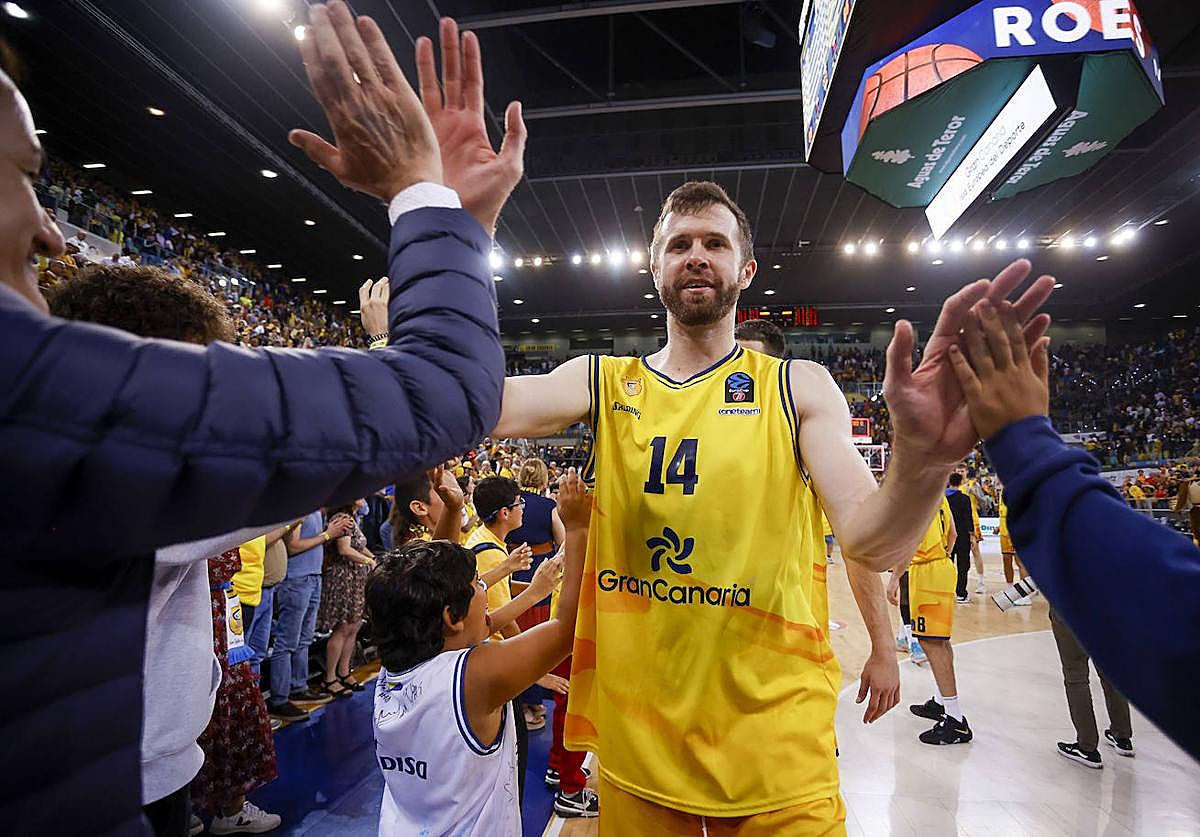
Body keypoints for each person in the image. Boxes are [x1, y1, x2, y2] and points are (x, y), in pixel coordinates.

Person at [2, 6, 524, 829]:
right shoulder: (46, 398)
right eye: (24, 175)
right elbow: (448, 391)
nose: (51, 231)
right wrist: (427, 198)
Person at [491, 172, 1053, 828]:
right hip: (642, 745)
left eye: (714, 243)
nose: (695, 254)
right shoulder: (602, 379)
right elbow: (486, 404)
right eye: (678, 245)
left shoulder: (798, 387)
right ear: (653, 268)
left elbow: (874, 544)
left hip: (776, 748)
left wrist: (926, 460)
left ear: (746, 268)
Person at [947, 297, 1200, 761]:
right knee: (1111, 666)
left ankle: (1088, 745)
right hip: (1089, 570)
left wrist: (1021, 440)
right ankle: (1121, 735)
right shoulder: (1117, 507)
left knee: (1076, 674)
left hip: (1067, 584)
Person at [367, 470, 590, 836]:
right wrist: (578, 529)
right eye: (478, 585)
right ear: (451, 617)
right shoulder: (474, 677)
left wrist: (453, 510)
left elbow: (427, 583)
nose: (484, 589)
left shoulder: (399, 660)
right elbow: (565, 630)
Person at [736, 319, 900, 726]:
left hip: (787, 647)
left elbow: (858, 545)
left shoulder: (806, 439)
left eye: (750, 361)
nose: (737, 373)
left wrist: (883, 647)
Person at [889, 497, 973, 745]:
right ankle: (941, 701)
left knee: (931, 643)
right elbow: (954, 534)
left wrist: (895, 578)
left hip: (926, 572)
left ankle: (955, 720)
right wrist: (942, 556)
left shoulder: (915, 497)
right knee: (940, 642)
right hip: (942, 567)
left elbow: (909, 542)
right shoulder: (938, 494)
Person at [316, 499, 377, 699]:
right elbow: (345, 550)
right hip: (343, 580)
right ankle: (330, 677)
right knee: (342, 629)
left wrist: (375, 559)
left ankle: (344, 672)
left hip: (356, 579)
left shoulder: (353, 519)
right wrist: (369, 561)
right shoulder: (342, 519)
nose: (363, 499)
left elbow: (359, 547)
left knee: (354, 627)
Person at [945, 473, 975, 604]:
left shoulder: (943, 498)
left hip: (947, 534)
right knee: (963, 565)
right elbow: (968, 518)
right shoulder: (964, 499)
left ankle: (947, 591)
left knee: (947, 564)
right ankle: (961, 593)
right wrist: (972, 535)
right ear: (961, 482)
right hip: (962, 535)